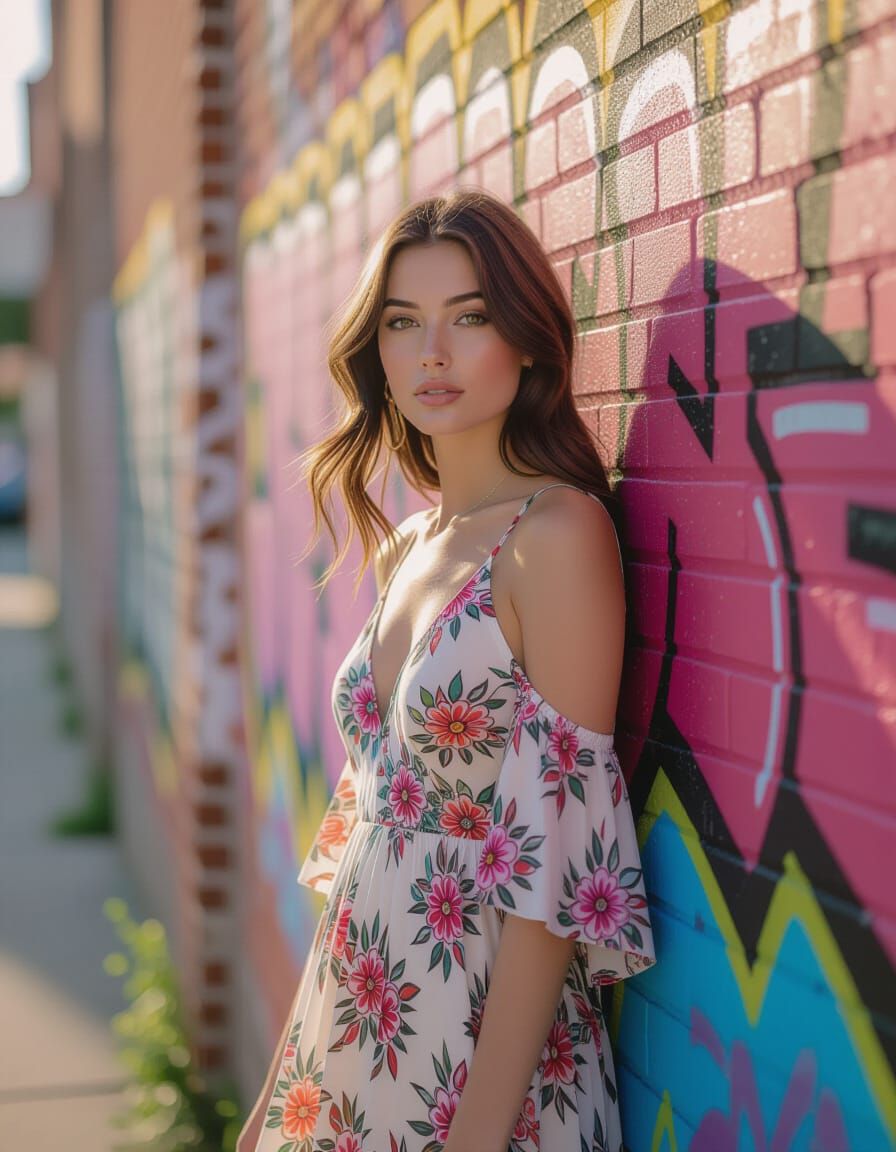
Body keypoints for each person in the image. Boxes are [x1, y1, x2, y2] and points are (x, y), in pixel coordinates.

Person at [238, 189, 655, 1152]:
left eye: (470, 317)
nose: (433, 353)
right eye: (402, 323)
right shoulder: (410, 545)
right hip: (351, 1046)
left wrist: (474, 1136)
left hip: (483, 1073)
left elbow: (554, 870)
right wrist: (275, 1096)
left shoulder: (555, 535)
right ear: (374, 351)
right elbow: (362, 853)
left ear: (528, 338)